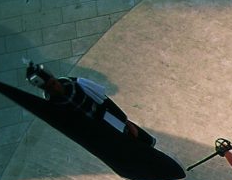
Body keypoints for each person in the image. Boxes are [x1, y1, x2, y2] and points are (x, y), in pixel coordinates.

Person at [25, 61, 154, 145]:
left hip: (109, 119)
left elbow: (105, 102)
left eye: (53, 83)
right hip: (97, 133)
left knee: (139, 139)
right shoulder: (52, 106)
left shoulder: (78, 84)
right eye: (49, 88)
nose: (55, 88)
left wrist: (126, 122)